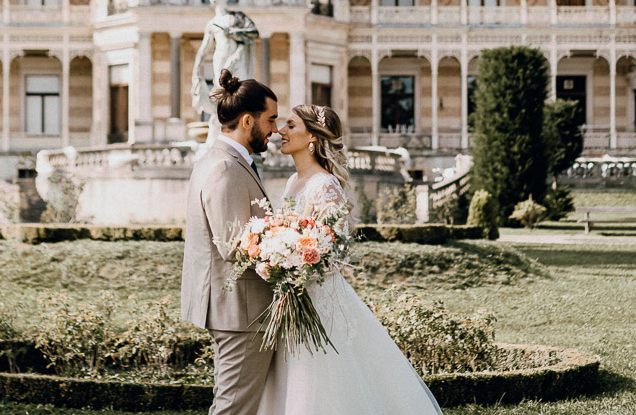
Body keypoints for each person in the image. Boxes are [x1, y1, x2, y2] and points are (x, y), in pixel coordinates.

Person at [258, 104, 444, 415]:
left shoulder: (325, 185)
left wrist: (298, 264)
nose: (280, 131)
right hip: (291, 297)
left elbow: (338, 250)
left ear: (313, 138)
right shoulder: (293, 182)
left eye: (290, 126)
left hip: (321, 301)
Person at [182, 69, 282, 415]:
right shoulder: (225, 167)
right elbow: (233, 244)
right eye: (270, 120)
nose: (275, 130)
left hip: (240, 309)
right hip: (241, 311)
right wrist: (290, 249)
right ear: (247, 120)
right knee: (233, 408)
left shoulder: (223, 160)